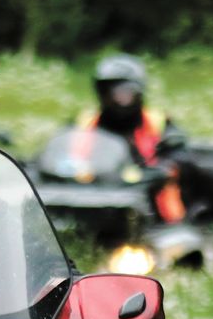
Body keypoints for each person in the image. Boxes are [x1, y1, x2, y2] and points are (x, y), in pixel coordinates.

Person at [78, 53, 189, 222]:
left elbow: (178, 150)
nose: (117, 99)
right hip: (92, 195)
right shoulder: (85, 122)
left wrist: (170, 155)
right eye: (111, 93)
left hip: (150, 202)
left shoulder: (159, 122)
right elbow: (62, 150)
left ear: (138, 93)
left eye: (124, 93)